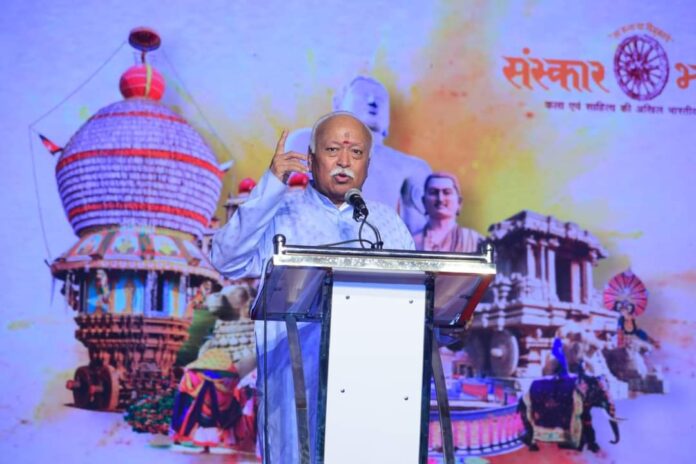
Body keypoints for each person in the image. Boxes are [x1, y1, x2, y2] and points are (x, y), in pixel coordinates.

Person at [210, 111, 414, 463]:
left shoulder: (386, 223)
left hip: (372, 390)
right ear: (311, 157)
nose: (344, 161)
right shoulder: (280, 211)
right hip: (293, 388)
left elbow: (414, 301)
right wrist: (270, 186)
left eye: (356, 153)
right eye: (333, 149)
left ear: (367, 164)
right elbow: (225, 258)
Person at [285, 76, 432, 234]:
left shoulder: (411, 166)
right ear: (338, 104)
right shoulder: (307, 141)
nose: (373, 101)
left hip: (379, 243)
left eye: (381, 99)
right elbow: (294, 206)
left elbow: (418, 234)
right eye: (363, 94)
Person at [413, 172, 484, 252]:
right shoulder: (412, 241)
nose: (440, 199)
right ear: (423, 201)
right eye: (433, 192)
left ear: (459, 202)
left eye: (447, 192)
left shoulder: (475, 240)